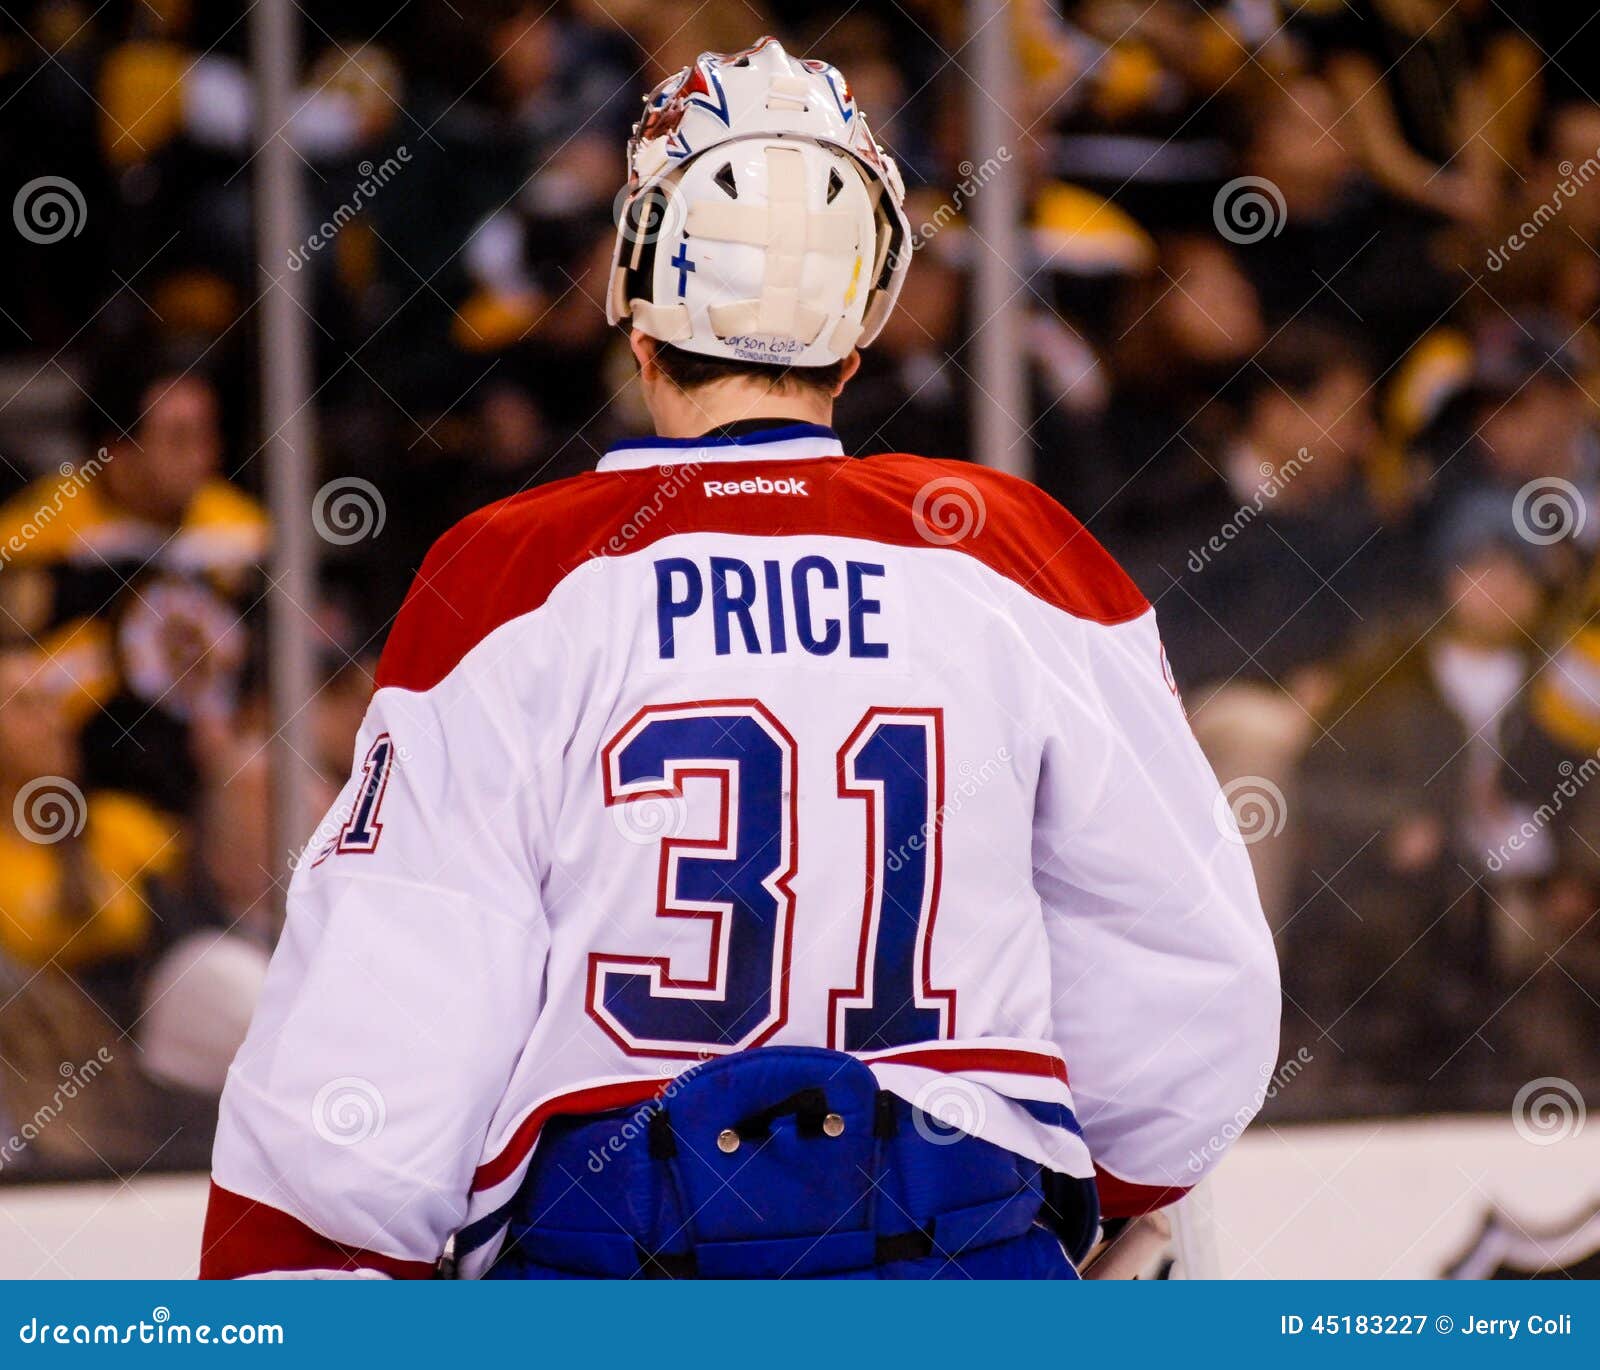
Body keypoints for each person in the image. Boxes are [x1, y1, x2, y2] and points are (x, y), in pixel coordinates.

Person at [202, 38, 1279, 1281]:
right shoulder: (1011, 550)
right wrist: (1107, 1185)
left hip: (618, 1276)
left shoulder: (511, 574)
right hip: (958, 1264)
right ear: (859, 333)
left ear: (637, 320)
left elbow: (387, 1004)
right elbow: (1189, 970)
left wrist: (291, 1270)